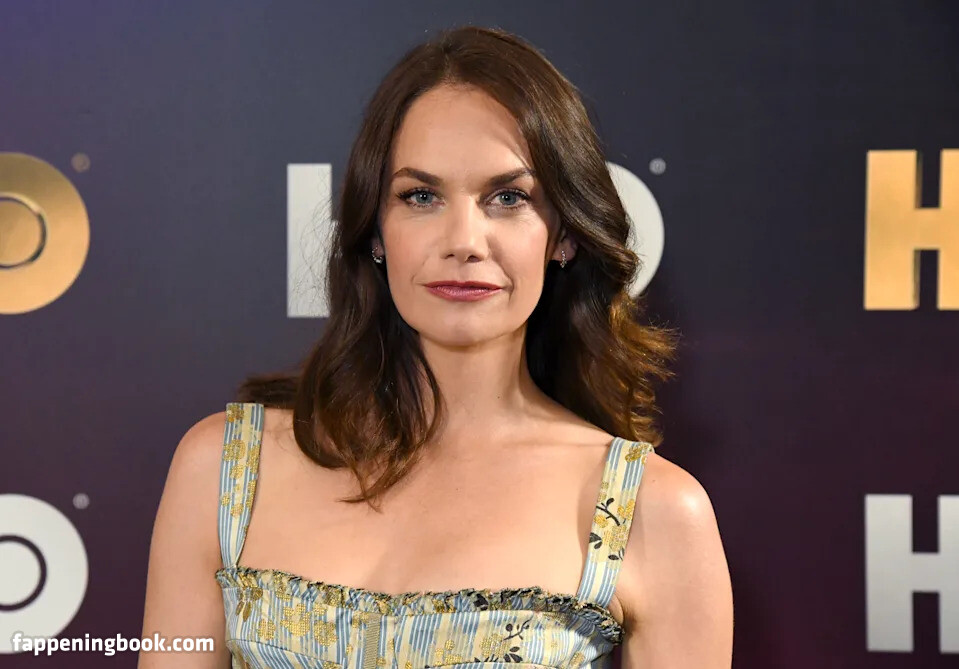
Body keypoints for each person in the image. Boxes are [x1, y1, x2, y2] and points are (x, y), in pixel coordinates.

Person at [139, 25, 733, 669]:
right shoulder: (224, 471)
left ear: (563, 234)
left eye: (508, 197)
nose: (464, 241)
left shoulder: (651, 512)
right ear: (375, 230)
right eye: (421, 196)